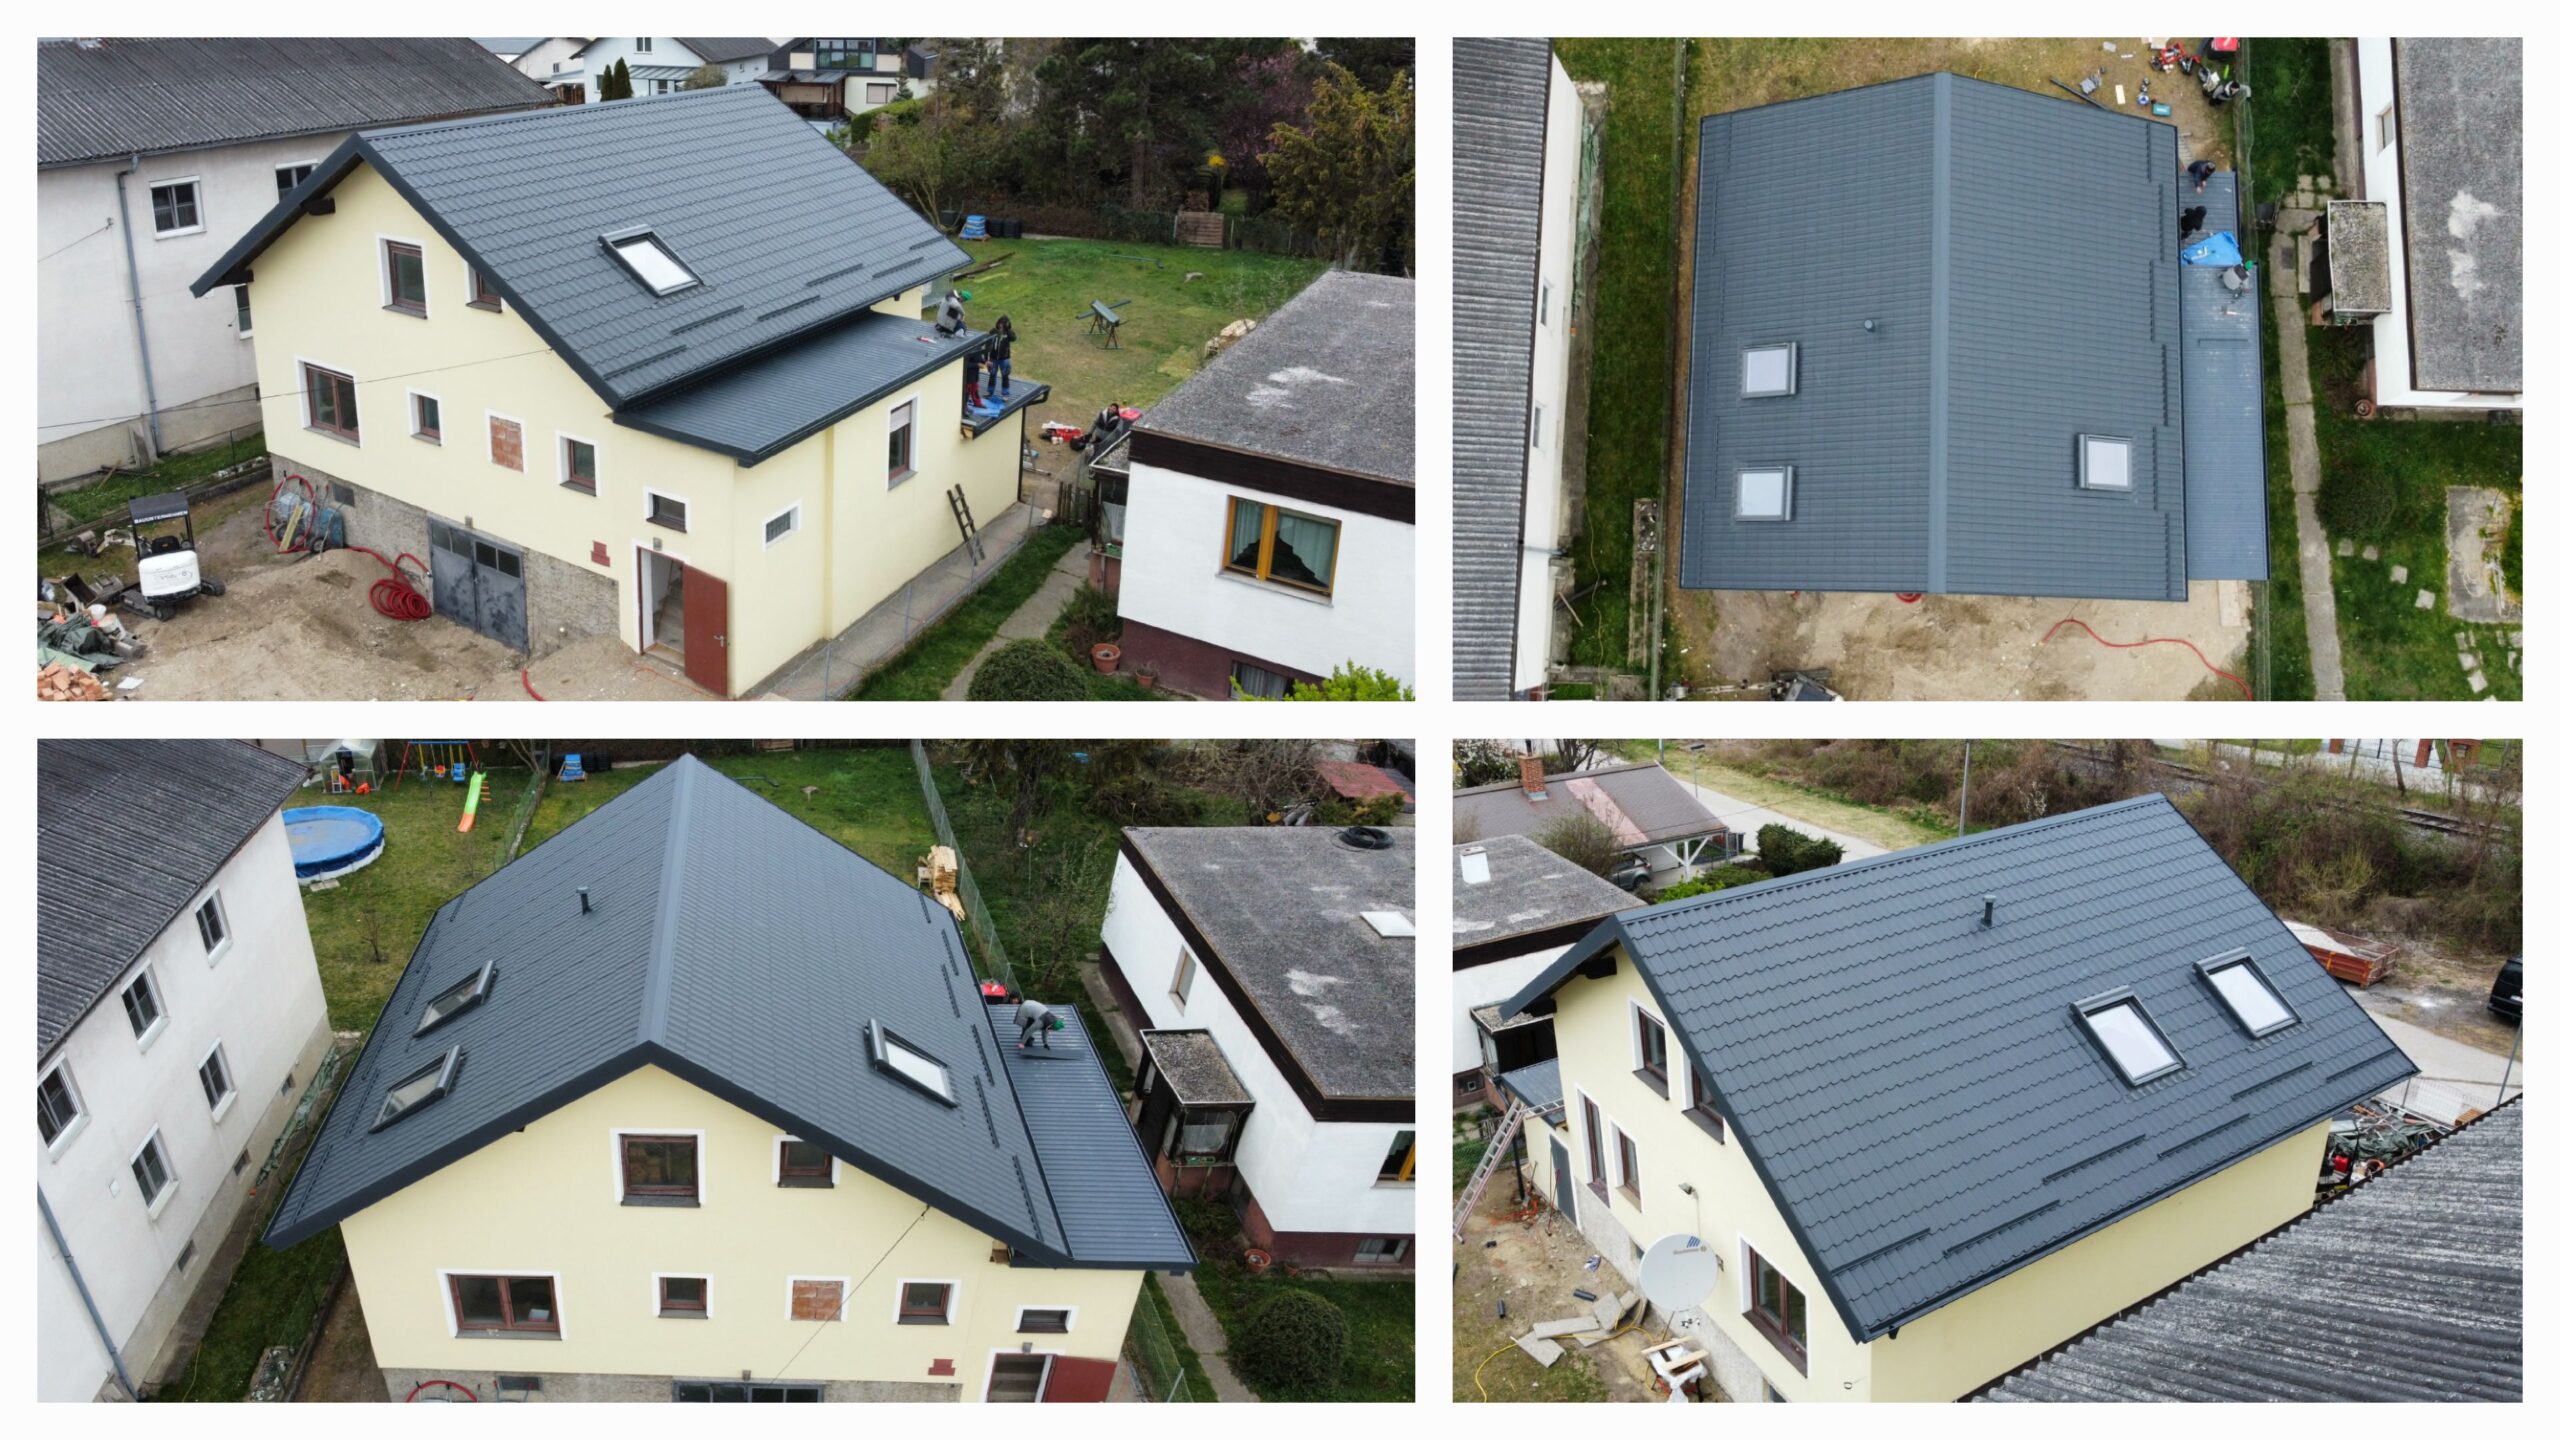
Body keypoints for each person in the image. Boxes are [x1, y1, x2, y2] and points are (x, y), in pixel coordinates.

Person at [990, 316, 1015, 399]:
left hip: (1004, 359)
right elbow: (988, 343)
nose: (1001, 325)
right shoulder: (993, 331)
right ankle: (990, 391)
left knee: (1005, 376)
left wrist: (1008, 330)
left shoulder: (1008, 333)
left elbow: (1013, 338)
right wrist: (987, 357)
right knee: (992, 374)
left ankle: (1005, 394)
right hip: (993, 358)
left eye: (1003, 324)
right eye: (1000, 323)